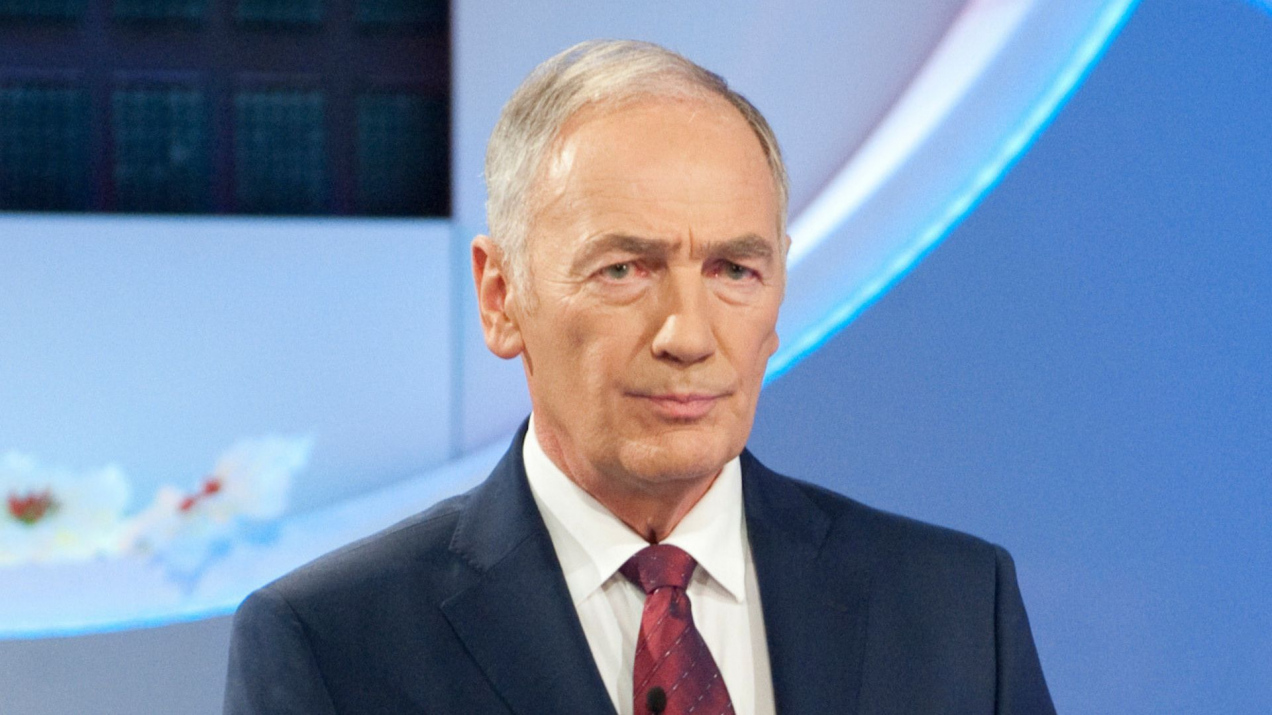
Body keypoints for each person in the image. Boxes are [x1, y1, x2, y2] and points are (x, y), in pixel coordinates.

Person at [223, 40, 1056, 715]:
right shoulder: (332, 644)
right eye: (624, 269)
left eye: (734, 269)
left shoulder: (955, 610)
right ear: (501, 296)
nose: (687, 335)